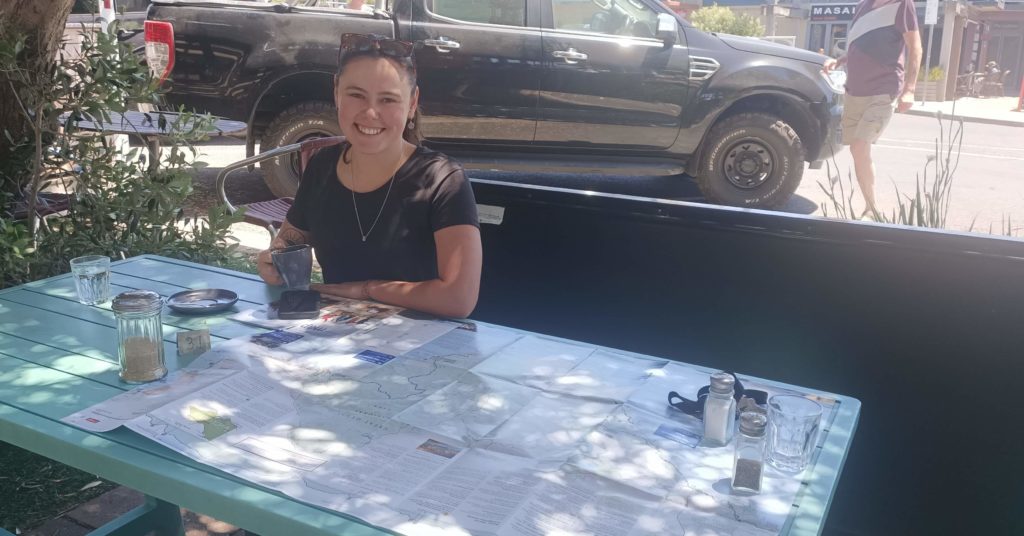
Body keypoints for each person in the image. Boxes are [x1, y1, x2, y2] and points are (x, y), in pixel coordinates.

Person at [257, 33, 482, 318]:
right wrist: (275, 257)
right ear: (336, 92)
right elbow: (291, 239)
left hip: (420, 344)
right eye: (356, 95)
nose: (370, 112)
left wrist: (366, 290)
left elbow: (459, 299)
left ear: (412, 103)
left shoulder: (442, 179)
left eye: (388, 99)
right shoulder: (322, 165)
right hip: (332, 336)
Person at [822, 0, 922, 217]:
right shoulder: (863, 5)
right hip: (854, 89)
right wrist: (839, 61)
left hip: (883, 88)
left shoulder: (902, 4)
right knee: (857, 151)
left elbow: (915, 47)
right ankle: (870, 205)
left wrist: (910, 89)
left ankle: (871, 207)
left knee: (859, 146)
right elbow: (864, 43)